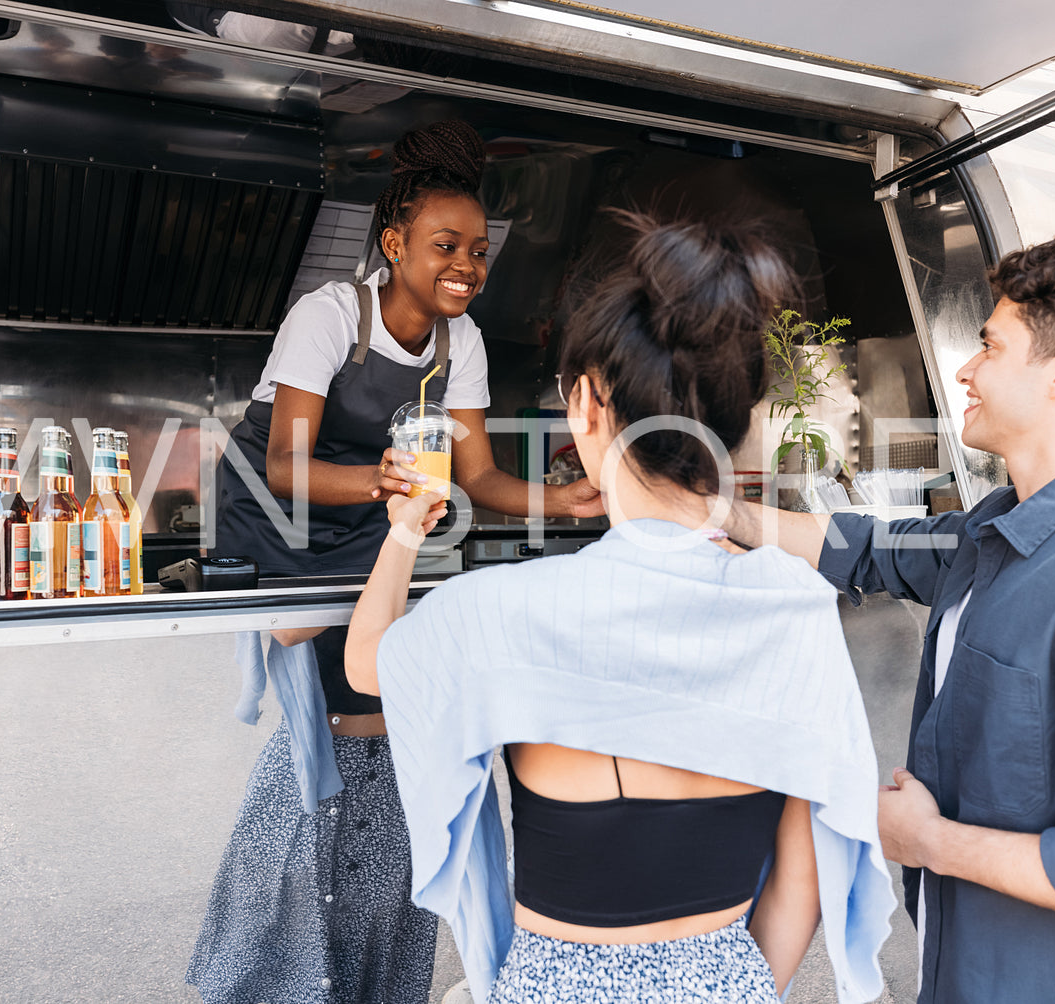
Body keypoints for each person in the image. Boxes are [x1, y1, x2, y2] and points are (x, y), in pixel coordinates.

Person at [344, 214, 894, 1003]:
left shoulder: (502, 610)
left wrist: (402, 533)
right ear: (735, 420)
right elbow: (802, 878)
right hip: (727, 984)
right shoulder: (792, 609)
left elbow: (369, 666)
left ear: (586, 407)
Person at [186, 120, 602, 1004]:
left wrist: (563, 500)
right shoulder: (333, 314)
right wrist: (381, 484)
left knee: (380, 692)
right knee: (334, 689)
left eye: (479, 251)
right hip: (275, 510)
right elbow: (285, 465)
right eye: (445, 246)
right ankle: (286, 933)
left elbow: (481, 474)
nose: (466, 265)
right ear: (393, 245)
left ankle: (356, 908)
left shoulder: (464, 345)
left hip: (375, 512)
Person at [722, 235, 1055, 1001]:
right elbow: (877, 550)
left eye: (989, 346)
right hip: (960, 962)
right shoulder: (1005, 522)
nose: (964, 368)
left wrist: (930, 843)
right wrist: (715, 512)